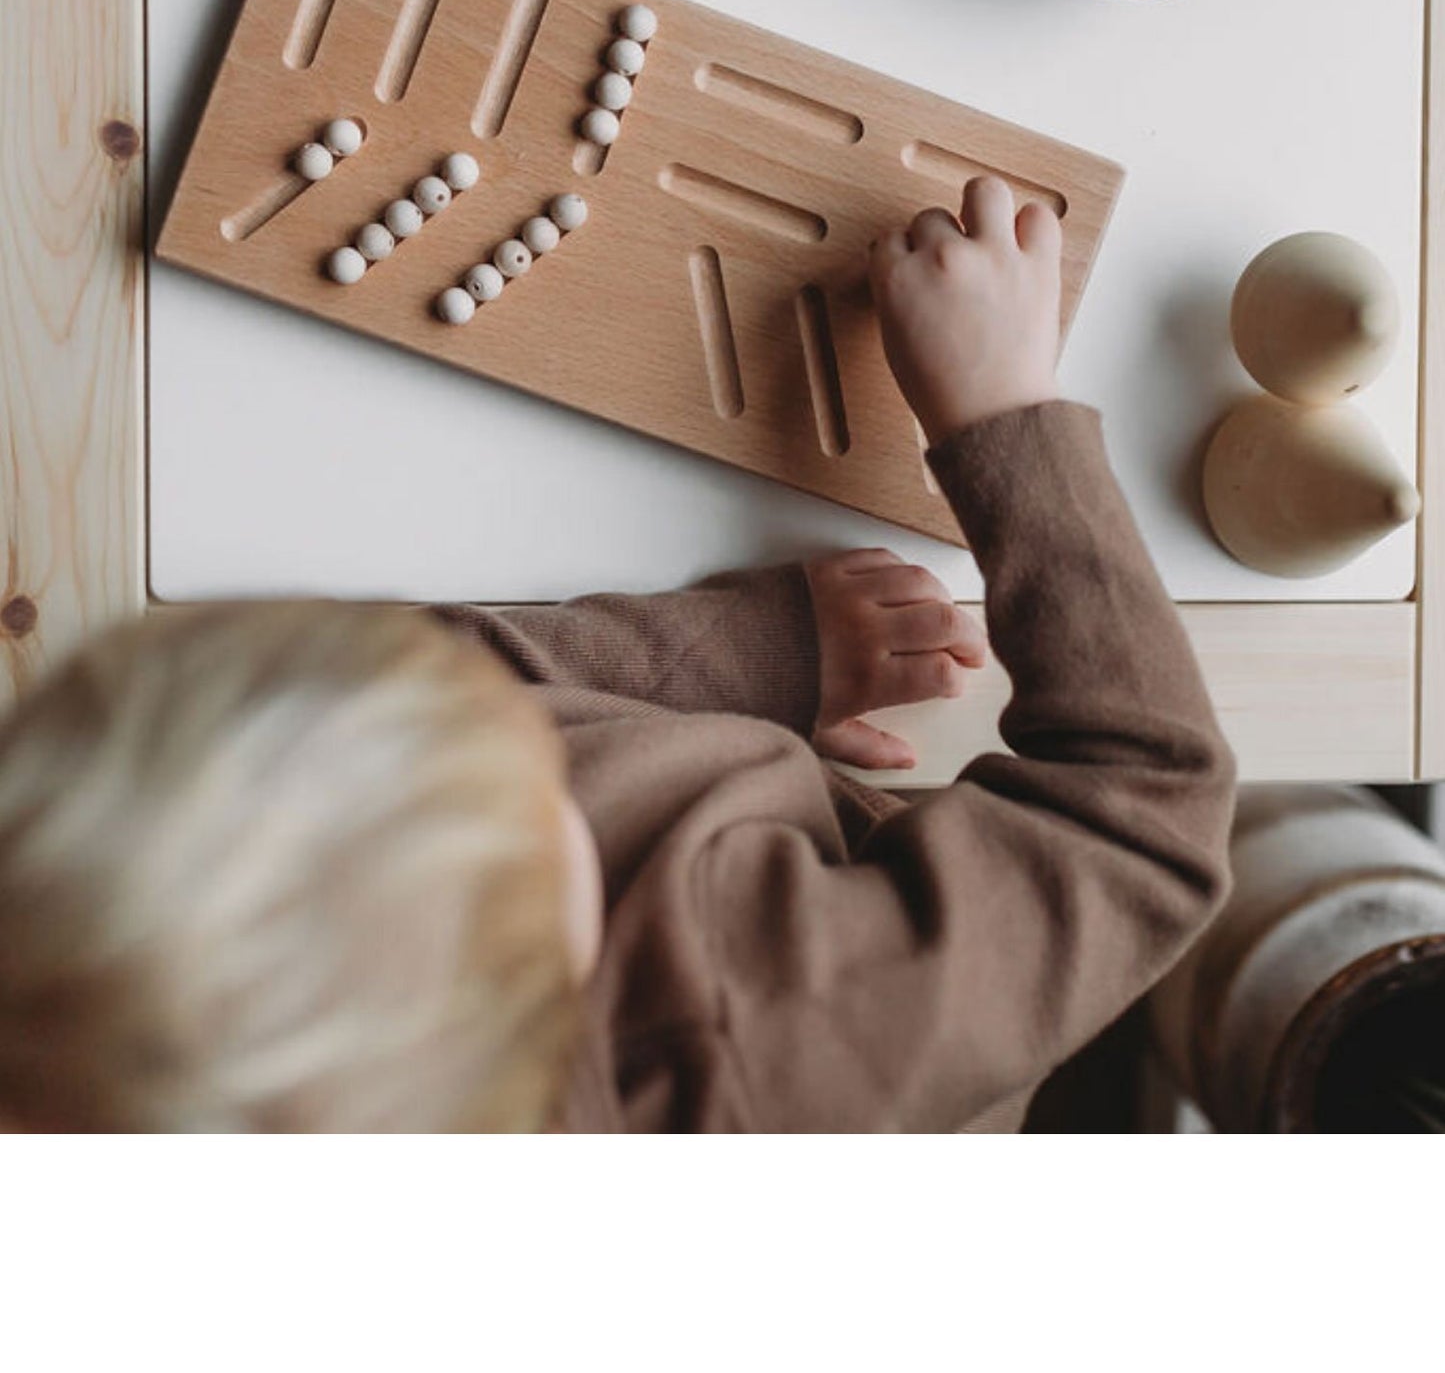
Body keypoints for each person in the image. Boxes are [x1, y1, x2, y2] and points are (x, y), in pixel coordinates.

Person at [0, 177, 1234, 1132]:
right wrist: (1000, 413)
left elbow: (454, 672)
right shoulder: (763, 1046)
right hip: (920, 959)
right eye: (528, 783)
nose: (509, 728)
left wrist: (759, 654)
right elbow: (1143, 813)